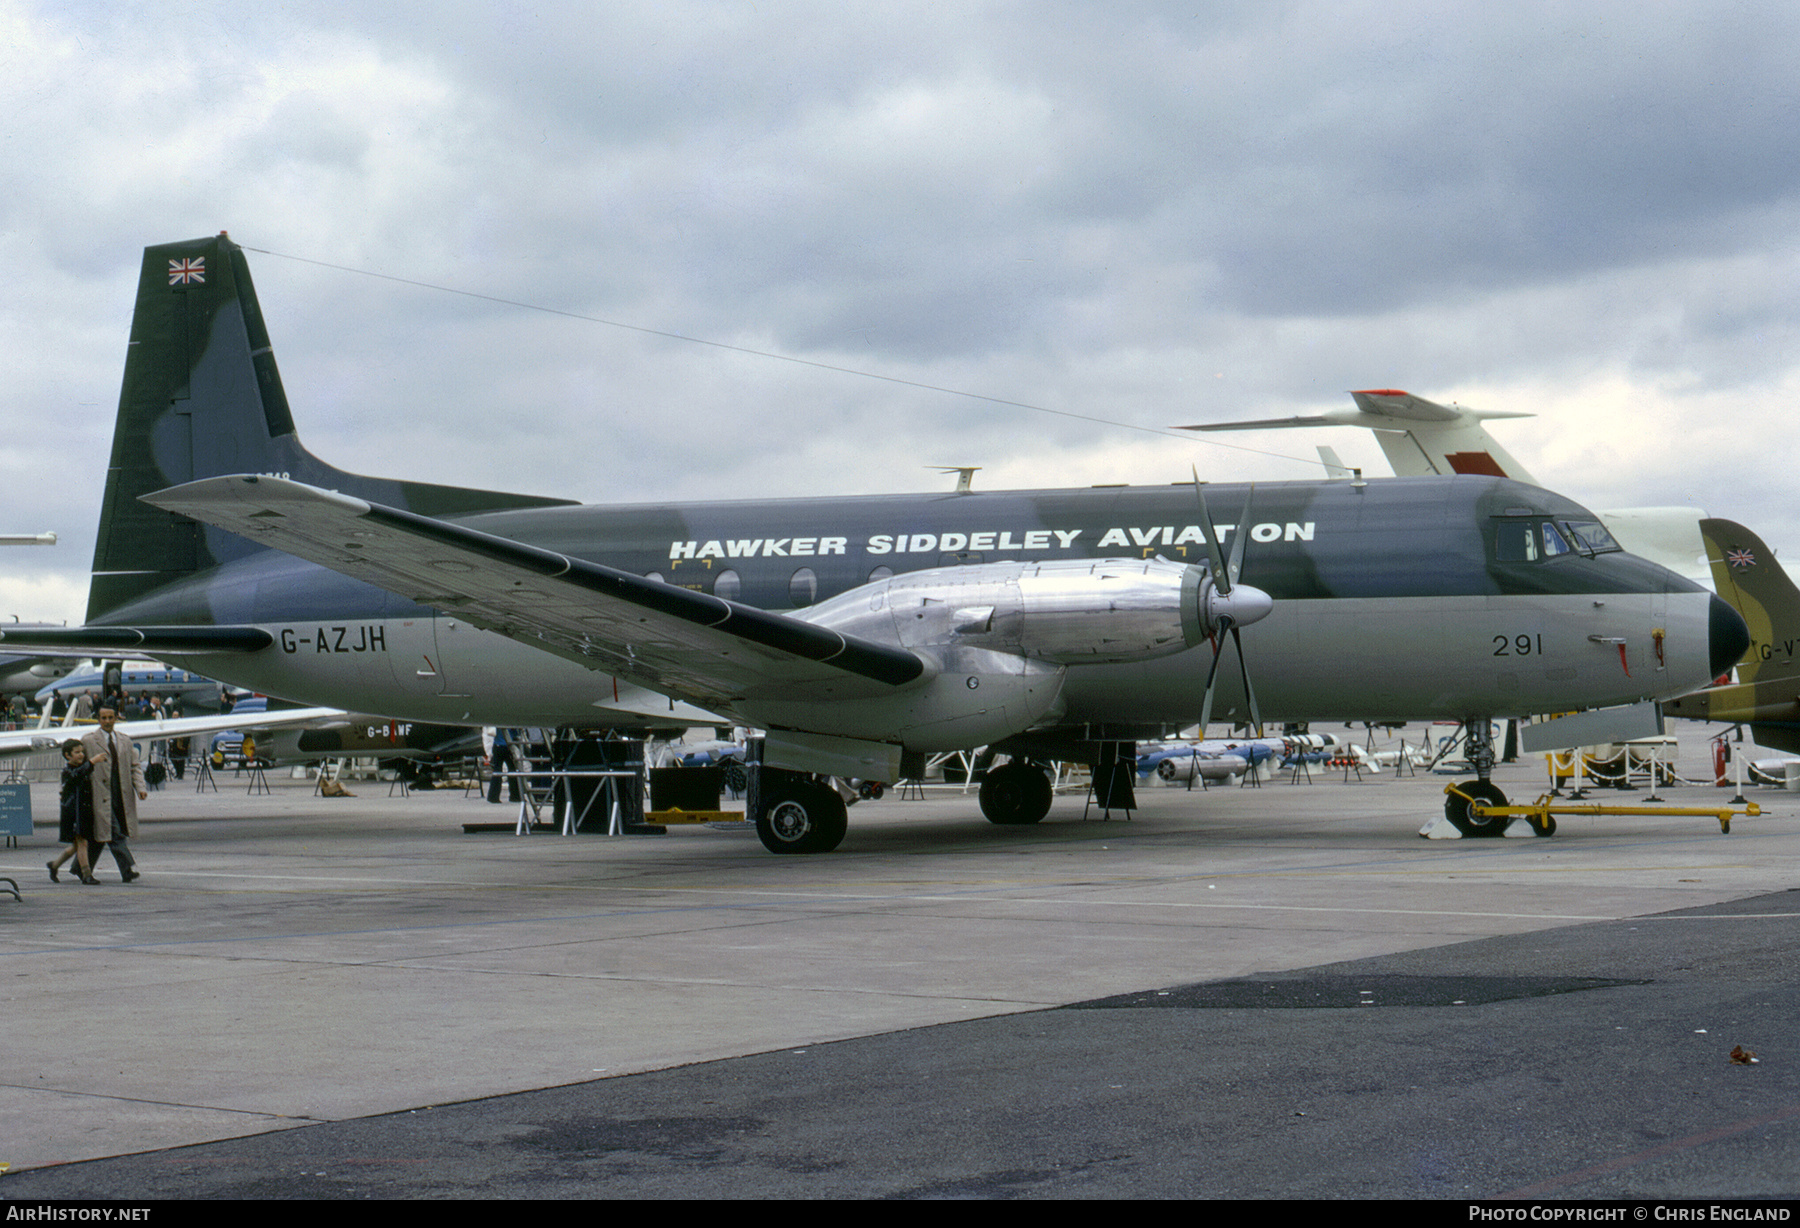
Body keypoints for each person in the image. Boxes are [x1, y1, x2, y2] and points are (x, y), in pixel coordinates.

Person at [82, 708, 147, 883]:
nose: (107, 721)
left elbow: (134, 766)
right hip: (99, 795)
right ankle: (128, 869)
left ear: (116, 718)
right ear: (98, 719)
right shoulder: (89, 741)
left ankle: (79, 868)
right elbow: (80, 766)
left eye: (111, 717)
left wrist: (140, 787)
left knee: (101, 836)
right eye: (104, 718)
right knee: (114, 832)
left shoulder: (125, 741)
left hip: (120, 794)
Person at [47, 739, 99, 885]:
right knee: (82, 842)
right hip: (73, 813)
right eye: (77, 752)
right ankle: (87, 874)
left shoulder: (81, 769)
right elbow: (77, 774)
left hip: (82, 812)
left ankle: (54, 865)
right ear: (67, 755)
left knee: (77, 846)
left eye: (82, 752)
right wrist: (92, 761)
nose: (81, 755)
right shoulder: (68, 771)